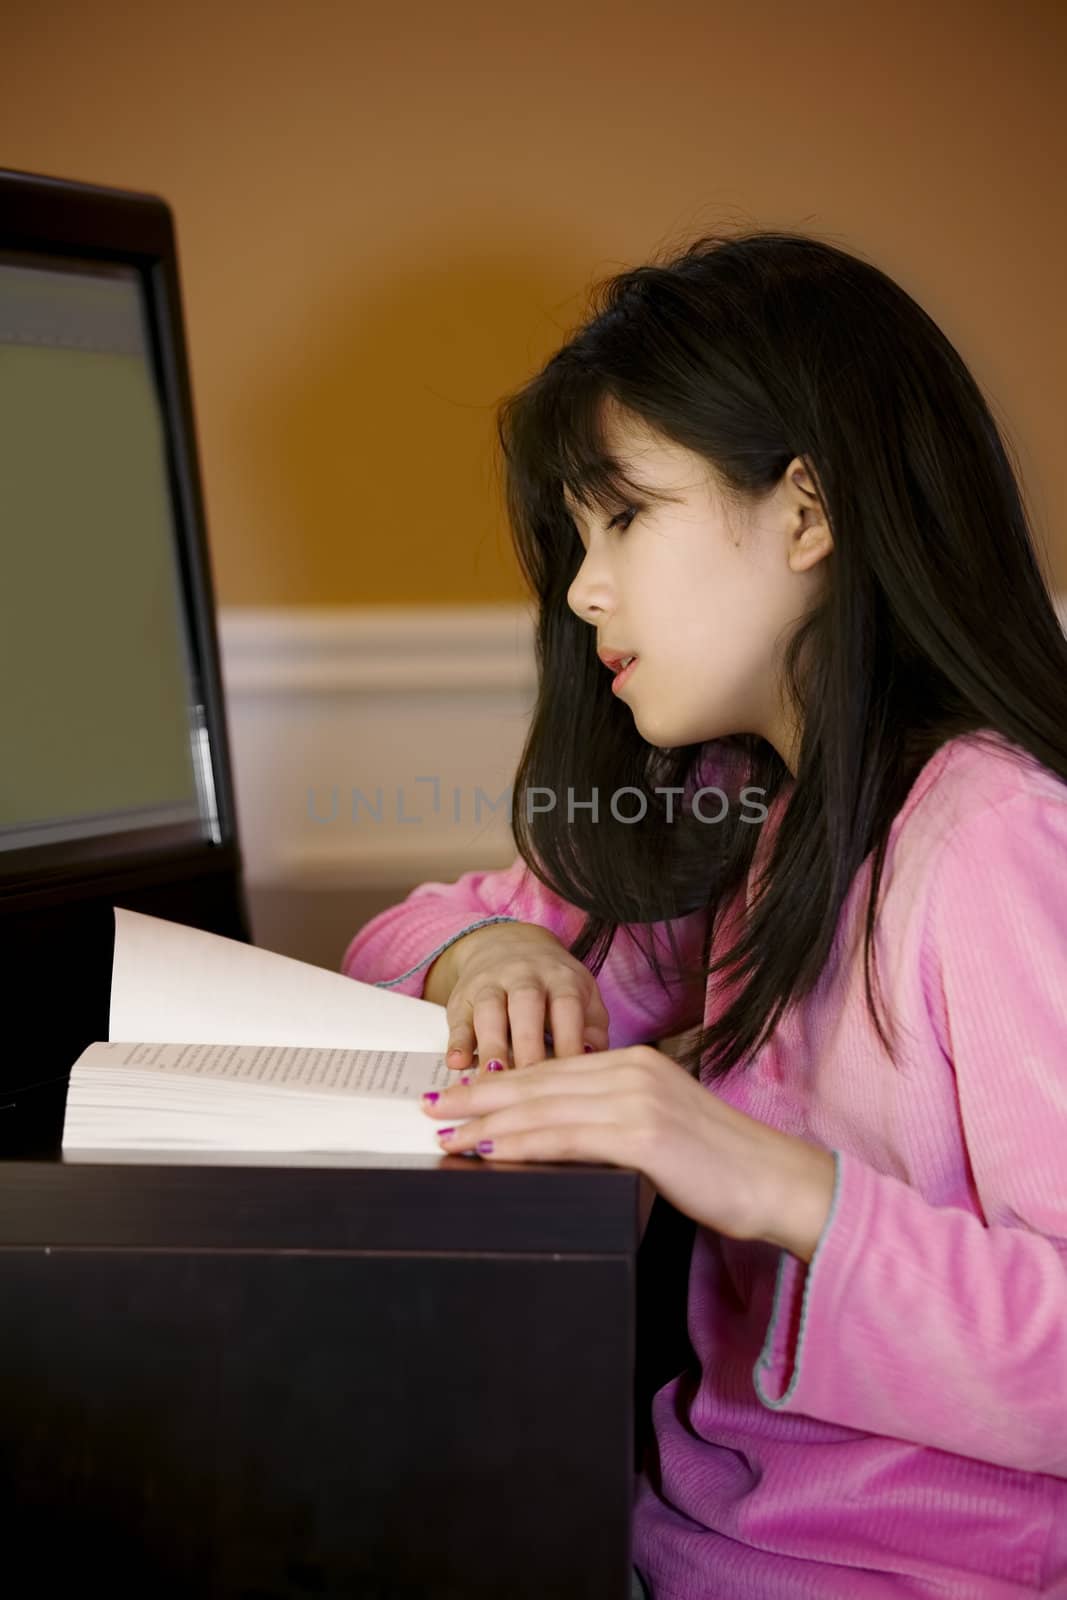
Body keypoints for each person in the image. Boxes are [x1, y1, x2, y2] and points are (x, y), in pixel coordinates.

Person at [341, 230, 1067, 1597]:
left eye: (625, 516)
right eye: (575, 534)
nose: (582, 587)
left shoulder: (994, 839)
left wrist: (768, 1180)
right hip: (690, 1540)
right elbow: (412, 931)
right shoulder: (747, 818)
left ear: (809, 509)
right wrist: (484, 952)